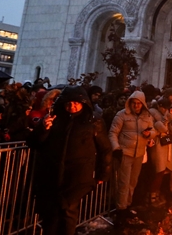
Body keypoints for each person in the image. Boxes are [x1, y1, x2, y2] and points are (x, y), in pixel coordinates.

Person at [27, 86, 111, 235]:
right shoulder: (54, 119)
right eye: (68, 103)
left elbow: (104, 148)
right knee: (51, 214)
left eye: (76, 103)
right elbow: (34, 142)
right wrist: (43, 129)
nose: (72, 107)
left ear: (83, 103)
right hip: (52, 174)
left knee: (68, 211)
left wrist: (102, 173)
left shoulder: (93, 121)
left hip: (77, 176)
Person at [108, 90, 156, 216]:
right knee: (123, 182)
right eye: (134, 103)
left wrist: (149, 134)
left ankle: (127, 205)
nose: (136, 106)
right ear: (130, 103)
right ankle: (121, 209)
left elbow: (154, 131)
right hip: (125, 153)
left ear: (143, 104)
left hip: (139, 154)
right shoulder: (121, 115)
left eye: (139, 103)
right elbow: (113, 133)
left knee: (132, 182)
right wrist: (116, 148)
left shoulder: (147, 116)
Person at [147, 97, 172, 205]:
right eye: (163, 107)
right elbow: (156, 128)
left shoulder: (166, 114)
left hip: (166, 144)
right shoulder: (152, 114)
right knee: (158, 171)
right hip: (157, 144)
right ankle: (152, 196)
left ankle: (157, 194)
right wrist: (165, 120)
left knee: (163, 172)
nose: (164, 109)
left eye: (166, 107)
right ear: (158, 106)